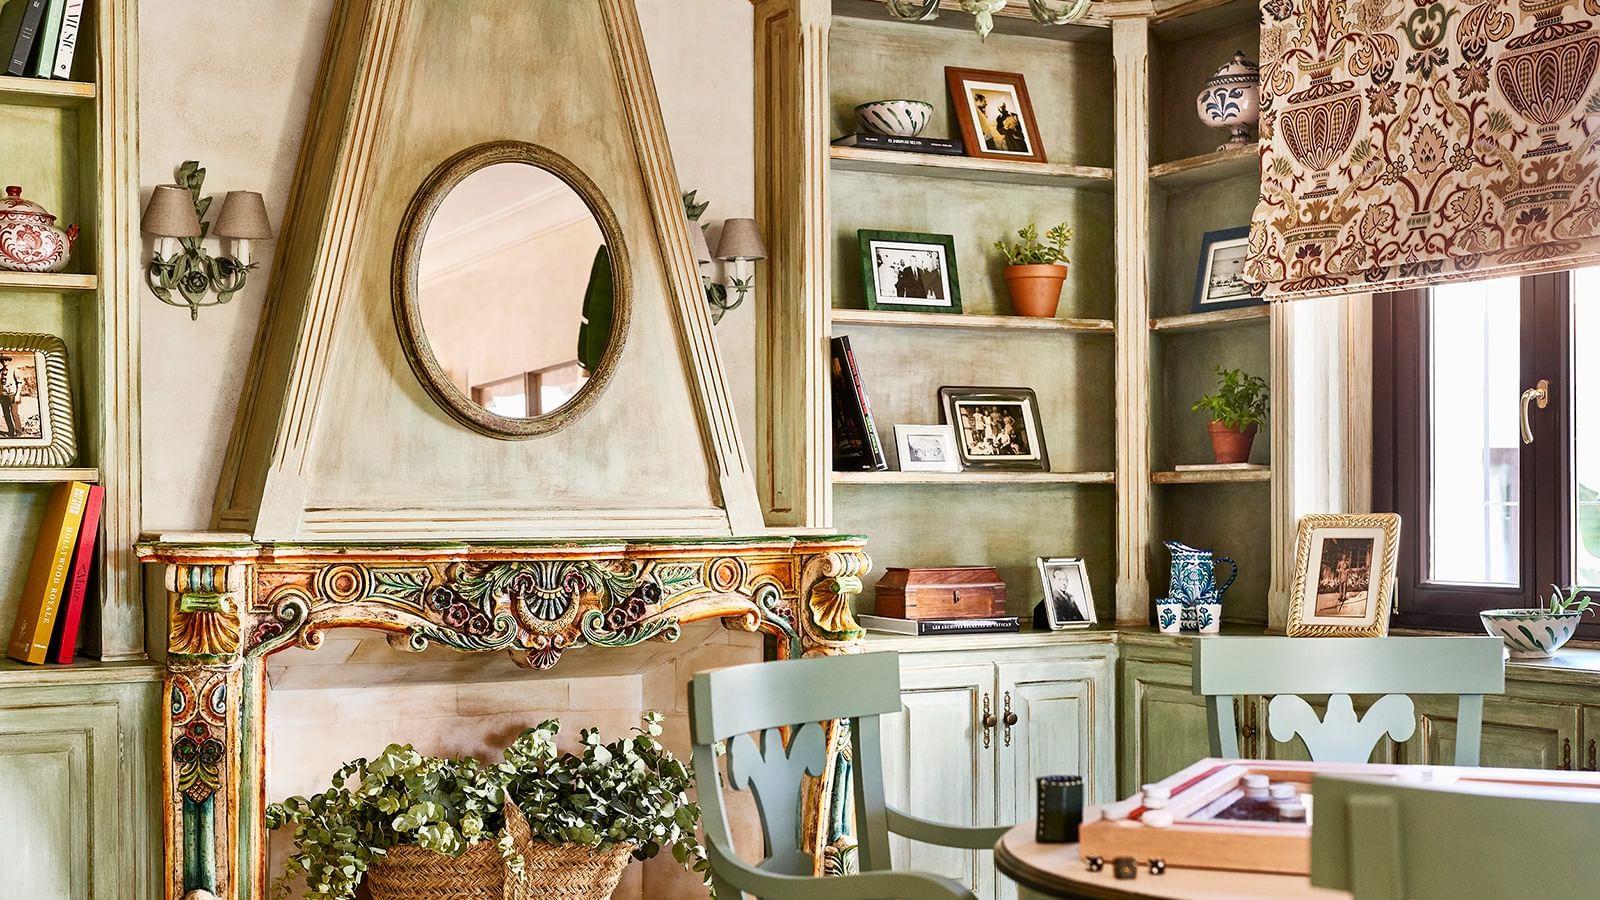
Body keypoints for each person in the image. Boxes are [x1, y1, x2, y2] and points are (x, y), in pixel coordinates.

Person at [0, 360, 18, 437]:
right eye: (2, 360)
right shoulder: (0, 371)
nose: (4, 362)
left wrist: (18, 395)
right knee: (6, 414)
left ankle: (19, 432)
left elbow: (19, 383)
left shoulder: (14, 370)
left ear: (9, 361)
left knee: (14, 413)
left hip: (12, 394)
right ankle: (11, 432)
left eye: (6, 360)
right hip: (3, 395)